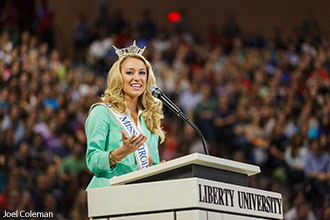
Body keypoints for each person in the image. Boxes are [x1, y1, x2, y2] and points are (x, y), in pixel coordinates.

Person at [85, 41, 165, 190]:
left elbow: (150, 165)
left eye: (142, 73)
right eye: (130, 72)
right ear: (118, 77)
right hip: (108, 194)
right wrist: (120, 153)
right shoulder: (102, 112)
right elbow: (92, 161)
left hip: (140, 196)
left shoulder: (149, 118)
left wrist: (159, 170)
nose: (137, 78)